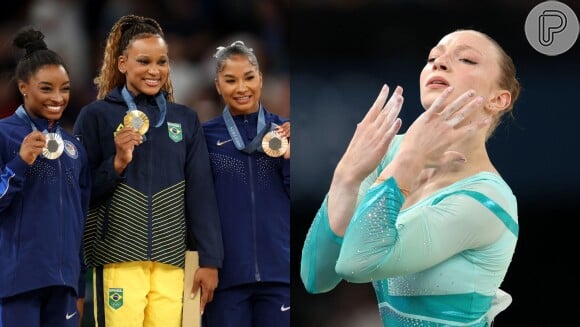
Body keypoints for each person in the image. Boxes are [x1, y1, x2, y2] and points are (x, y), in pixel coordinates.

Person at [300, 29, 520, 327]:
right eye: (433, 57)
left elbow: (356, 264)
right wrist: (346, 177)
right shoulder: (391, 153)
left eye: (466, 59)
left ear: (498, 100)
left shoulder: (488, 200)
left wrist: (407, 161)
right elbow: (317, 277)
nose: (439, 63)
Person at [72, 14, 223, 327]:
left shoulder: (184, 120)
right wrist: (116, 164)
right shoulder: (96, 116)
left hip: (171, 261)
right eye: (144, 61)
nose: (155, 71)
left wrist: (209, 260)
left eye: (162, 62)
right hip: (117, 257)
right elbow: (78, 192)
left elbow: (201, 193)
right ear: (123, 63)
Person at [0, 27, 90, 327]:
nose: (58, 97)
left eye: (64, 88)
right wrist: (21, 161)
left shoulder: (74, 147)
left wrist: (78, 284)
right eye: (46, 88)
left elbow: (81, 217)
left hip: (63, 284)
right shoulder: (4, 135)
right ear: (24, 87)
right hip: (16, 282)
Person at [201, 41, 290, 327]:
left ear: (261, 79)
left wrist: (289, 159)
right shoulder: (204, 137)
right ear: (218, 85)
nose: (241, 88)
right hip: (226, 276)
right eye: (231, 80)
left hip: (280, 273)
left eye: (249, 77)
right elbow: (198, 205)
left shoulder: (286, 132)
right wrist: (207, 260)